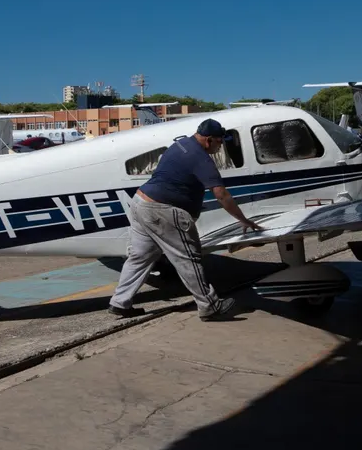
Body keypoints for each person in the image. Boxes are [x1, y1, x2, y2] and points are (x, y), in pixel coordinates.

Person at [109, 118, 263, 321]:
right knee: (188, 258)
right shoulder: (201, 158)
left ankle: (120, 303)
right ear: (209, 140)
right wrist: (243, 220)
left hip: (141, 203)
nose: (221, 145)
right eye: (219, 142)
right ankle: (210, 305)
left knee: (140, 257)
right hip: (162, 210)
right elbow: (221, 195)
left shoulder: (179, 144)